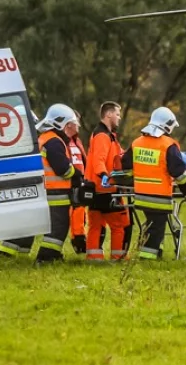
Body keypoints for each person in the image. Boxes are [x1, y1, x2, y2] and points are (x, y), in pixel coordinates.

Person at [119, 107, 186, 260]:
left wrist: (136, 178)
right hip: (159, 198)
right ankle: (147, 258)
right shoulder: (169, 145)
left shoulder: (137, 142)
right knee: (157, 228)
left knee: (153, 224)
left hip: (141, 196)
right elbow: (180, 174)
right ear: (167, 125)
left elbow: (126, 166)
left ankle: (156, 253)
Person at [35, 103, 83, 263]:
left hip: (50, 191)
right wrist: (78, 175)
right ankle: (46, 258)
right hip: (55, 193)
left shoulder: (49, 138)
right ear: (66, 125)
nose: (77, 125)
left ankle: (51, 256)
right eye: (75, 122)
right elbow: (63, 169)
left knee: (57, 226)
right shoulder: (54, 142)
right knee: (58, 227)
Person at [84, 101, 130, 262]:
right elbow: (99, 160)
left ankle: (94, 257)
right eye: (117, 114)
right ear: (109, 114)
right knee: (120, 224)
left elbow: (118, 155)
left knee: (96, 224)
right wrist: (104, 175)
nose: (119, 118)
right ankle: (118, 256)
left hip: (95, 188)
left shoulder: (106, 135)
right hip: (106, 189)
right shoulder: (103, 136)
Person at [68, 110, 88, 255]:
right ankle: (77, 240)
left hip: (80, 182)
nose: (79, 125)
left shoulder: (77, 141)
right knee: (74, 213)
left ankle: (80, 240)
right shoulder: (62, 141)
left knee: (81, 212)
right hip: (68, 183)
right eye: (77, 121)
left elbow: (84, 160)